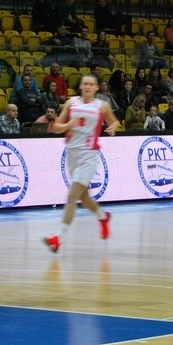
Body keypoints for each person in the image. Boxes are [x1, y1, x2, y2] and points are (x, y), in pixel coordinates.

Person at [44, 74, 119, 253]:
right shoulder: (71, 103)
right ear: (81, 86)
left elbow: (114, 121)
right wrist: (69, 123)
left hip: (89, 155)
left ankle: (58, 238)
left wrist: (115, 126)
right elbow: (56, 128)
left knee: (72, 196)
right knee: (84, 197)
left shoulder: (102, 105)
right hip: (72, 153)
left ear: (96, 88)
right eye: (84, 83)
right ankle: (102, 217)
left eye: (90, 84)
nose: (87, 86)